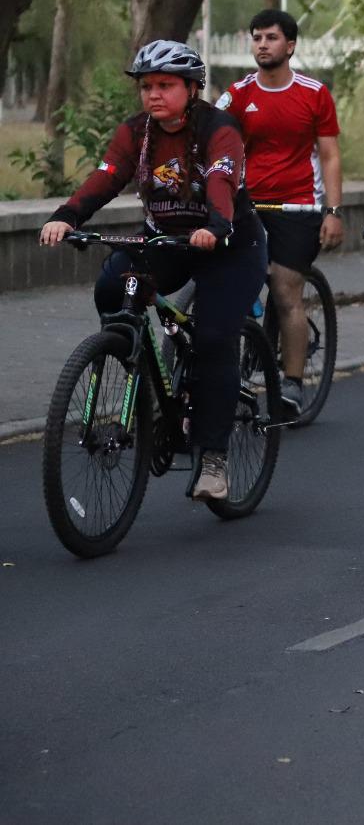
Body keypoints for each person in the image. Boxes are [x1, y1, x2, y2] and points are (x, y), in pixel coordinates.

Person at [40, 41, 267, 501]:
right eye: (146, 87)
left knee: (213, 340)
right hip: (167, 240)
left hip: (229, 246)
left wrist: (216, 226)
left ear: (192, 87)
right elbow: (106, 176)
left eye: (165, 85)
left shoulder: (219, 129)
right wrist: (67, 215)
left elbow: (222, 182)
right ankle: (130, 357)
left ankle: (214, 458)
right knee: (111, 286)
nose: (153, 95)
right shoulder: (136, 132)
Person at [217, 9, 342, 417]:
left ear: (289, 46)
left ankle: (291, 384)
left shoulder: (314, 93)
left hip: (298, 207)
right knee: (229, 285)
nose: (262, 45)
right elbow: (214, 145)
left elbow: (329, 154)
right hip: (248, 205)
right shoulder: (237, 95)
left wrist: (333, 210)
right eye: (256, 38)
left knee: (286, 290)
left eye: (271, 38)